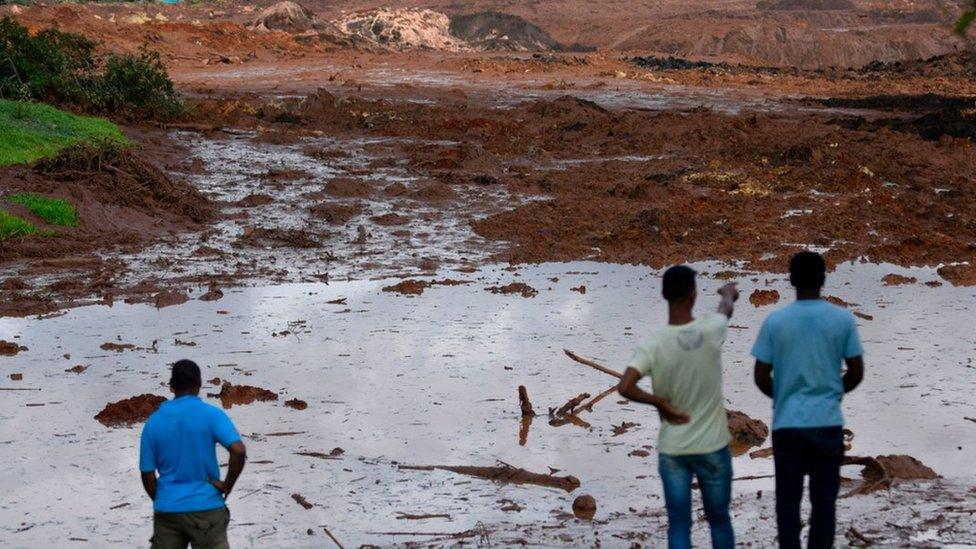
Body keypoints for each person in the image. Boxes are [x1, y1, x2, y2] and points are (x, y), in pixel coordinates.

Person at [617, 265, 739, 549]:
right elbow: (725, 309)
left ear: (663, 294)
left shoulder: (653, 343)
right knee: (719, 519)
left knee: (679, 524)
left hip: (673, 450)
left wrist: (659, 402)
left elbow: (625, 386)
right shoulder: (710, 329)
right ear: (693, 295)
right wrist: (729, 292)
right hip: (712, 447)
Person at [752, 251, 865, 549]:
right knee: (824, 503)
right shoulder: (842, 320)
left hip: (788, 424)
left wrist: (785, 397)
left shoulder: (775, 322)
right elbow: (856, 372)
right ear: (824, 279)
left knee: (787, 502)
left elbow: (761, 376)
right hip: (827, 422)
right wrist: (830, 393)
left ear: (790, 280)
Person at [139, 360, 248, 549]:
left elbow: (147, 474)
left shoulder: (153, 423)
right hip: (207, 509)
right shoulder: (212, 415)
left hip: (168, 510)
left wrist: (164, 498)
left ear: (171, 385)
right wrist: (227, 485)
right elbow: (238, 451)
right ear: (199, 385)